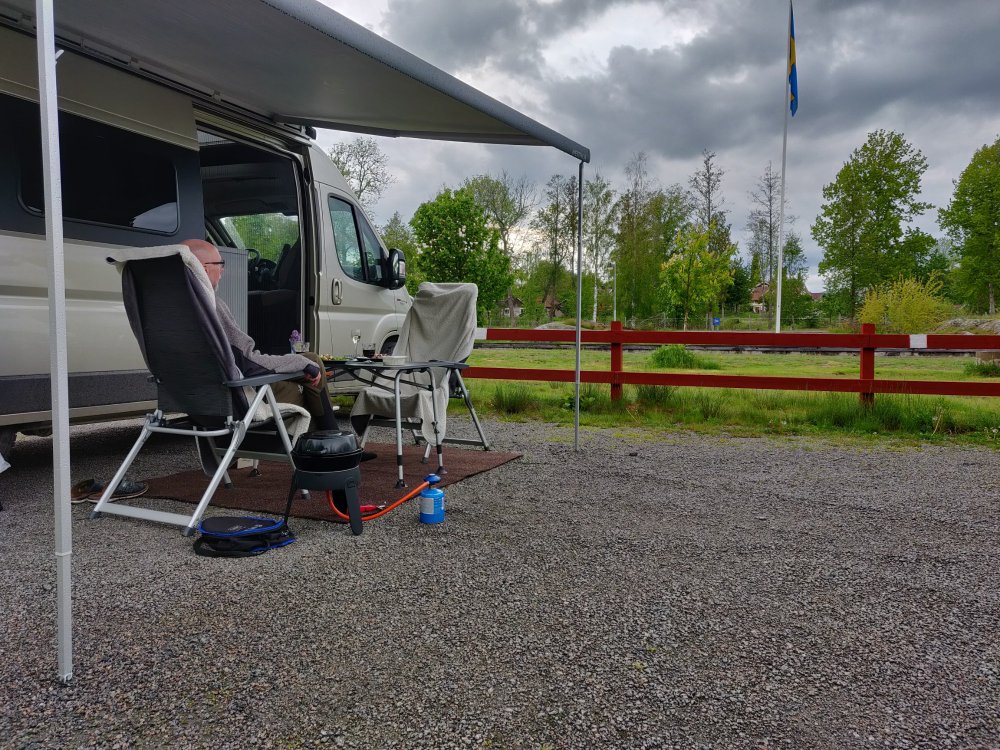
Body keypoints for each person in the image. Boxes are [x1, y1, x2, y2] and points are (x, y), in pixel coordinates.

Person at [181, 239, 338, 431]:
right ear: (204, 269)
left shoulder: (164, 312)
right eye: (220, 264)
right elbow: (249, 363)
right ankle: (332, 439)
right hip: (236, 400)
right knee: (310, 367)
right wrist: (301, 363)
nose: (223, 270)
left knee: (308, 364)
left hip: (193, 402)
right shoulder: (211, 306)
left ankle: (329, 437)